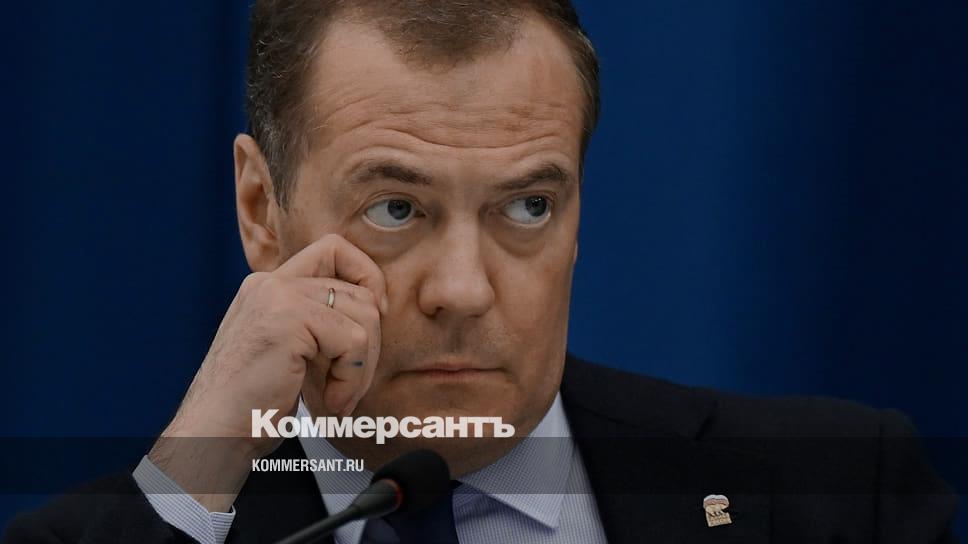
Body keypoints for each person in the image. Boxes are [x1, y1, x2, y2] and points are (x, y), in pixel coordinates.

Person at [4, 1, 958, 543]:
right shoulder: (133, 526)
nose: (462, 290)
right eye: (396, 209)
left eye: (527, 206)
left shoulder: (843, 495)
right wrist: (194, 477)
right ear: (261, 208)